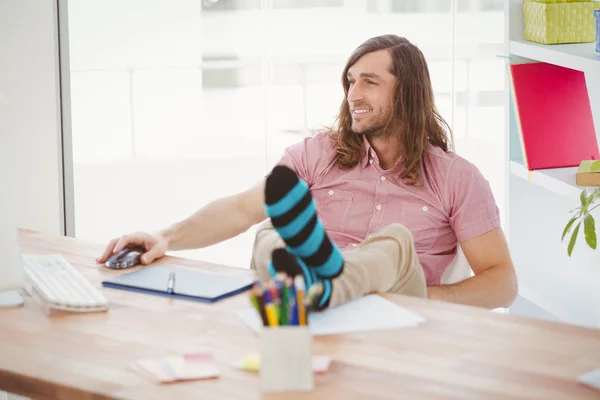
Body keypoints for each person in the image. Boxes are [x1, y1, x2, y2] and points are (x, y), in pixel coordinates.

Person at [97, 34, 518, 311]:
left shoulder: (456, 178)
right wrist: (166, 236)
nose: (354, 94)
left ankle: (337, 282)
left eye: (369, 82)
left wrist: (416, 300)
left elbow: (502, 283)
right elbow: (243, 209)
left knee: (393, 245)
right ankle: (325, 285)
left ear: (406, 91)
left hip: (396, 308)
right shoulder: (317, 154)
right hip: (310, 309)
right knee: (271, 235)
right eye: (350, 81)